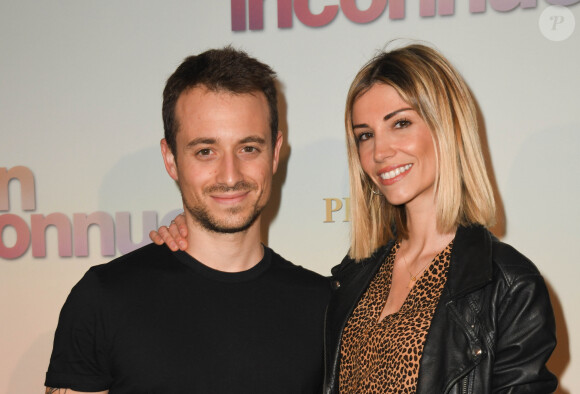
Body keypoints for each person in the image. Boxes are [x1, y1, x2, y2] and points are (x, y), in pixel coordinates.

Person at [153, 43, 558, 393]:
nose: (380, 152)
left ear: (447, 126)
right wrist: (201, 242)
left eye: (400, 123)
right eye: (365, 134)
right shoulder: (356, 275)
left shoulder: (506, 284)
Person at [44, 47, 330, 394]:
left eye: (249, 148)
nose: (229, 175)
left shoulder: (324, 307)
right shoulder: (104, 298)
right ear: (171, 159)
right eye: (205, 151)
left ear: (275, 152)